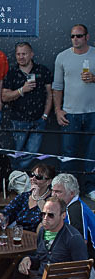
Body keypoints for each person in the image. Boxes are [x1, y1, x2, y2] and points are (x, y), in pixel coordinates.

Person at [0, 196, 87, 279]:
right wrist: (29, 260)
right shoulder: (42, 231)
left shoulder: (73, 237)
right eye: (43, 214)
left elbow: (82, 271)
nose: (45, 218)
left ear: (63, 215)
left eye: (51, 215)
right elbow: (40, 258)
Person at [52, 24, 95, 192]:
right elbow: (57, 86)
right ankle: (66, 190)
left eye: (79, 36)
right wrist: (58, 110)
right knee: (67, 153)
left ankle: (91, 188)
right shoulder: (62, 57)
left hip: (93, 112)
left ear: (87, 37)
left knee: (92, 153)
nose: (75, 39)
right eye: (72, 36)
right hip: (70, 113)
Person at [2, 42, 52, 156]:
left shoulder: (42, 70)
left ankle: (22, 172)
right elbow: (4, 97)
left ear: (31, 54)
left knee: (32, 153)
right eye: (18, 54)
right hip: (18, 120)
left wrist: (45, 115)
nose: (21, 57)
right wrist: (22, 90)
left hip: (38, 120)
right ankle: (17, 173)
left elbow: (50, 94)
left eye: (24, 54)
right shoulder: (12, 73)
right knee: (17, 153)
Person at [51, 172, 95, 261]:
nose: (53, 195)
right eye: (53, 190)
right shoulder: (68, 205)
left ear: (72, 193)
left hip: (86, 264)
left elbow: (80, 244)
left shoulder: (75, 211)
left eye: (58, 192)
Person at [0, 161, 53, 232]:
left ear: (48, 181)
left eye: (38, 177)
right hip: (18, 234)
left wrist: (38, 198)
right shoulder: (25, 196)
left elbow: (48, 215)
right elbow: (8, 211)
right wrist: (1, 216)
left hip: (36, 237)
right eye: (32, 175)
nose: (33, 178)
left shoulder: (52, 199)